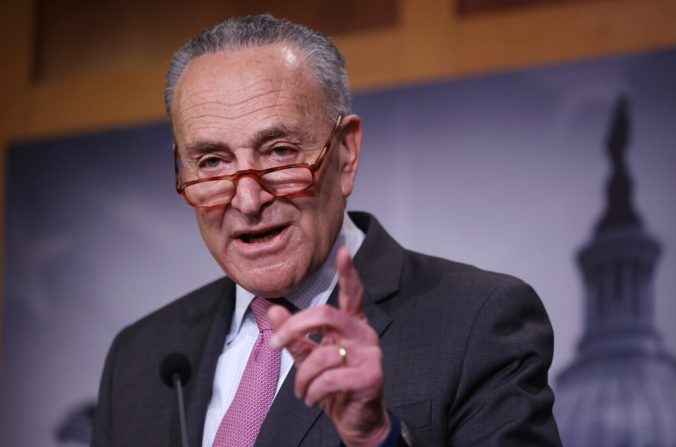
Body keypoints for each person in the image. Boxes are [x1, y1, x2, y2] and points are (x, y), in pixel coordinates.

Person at [91, 14, 561, 447]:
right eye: (212, 162)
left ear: (346, 154)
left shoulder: (477, 322)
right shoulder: (138, 356)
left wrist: (379, 438)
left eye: (279, 151)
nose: (249, 200)